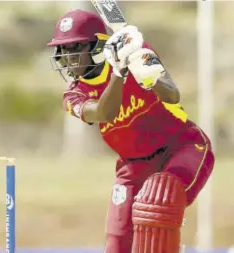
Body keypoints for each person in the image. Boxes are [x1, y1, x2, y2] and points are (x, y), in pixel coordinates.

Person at [47, 9, 215, 253]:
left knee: (160, 199)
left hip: (182, 146)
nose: (68, 56)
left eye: (75, 47)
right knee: (118, 243)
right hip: (133, 166)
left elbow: (172, 94)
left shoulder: (136, 51)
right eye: (64, 49)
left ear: (96, 46)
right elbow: (104, 113)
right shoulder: (74, 95)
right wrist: (119, 72)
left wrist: (149, 77)